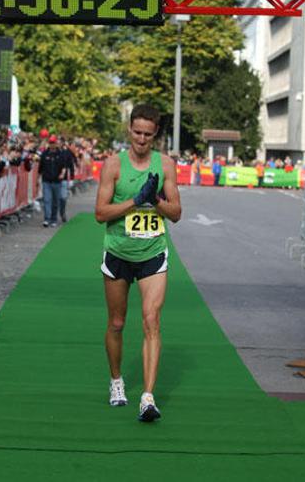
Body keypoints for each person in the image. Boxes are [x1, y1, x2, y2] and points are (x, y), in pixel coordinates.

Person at [95, 104, 181, 422]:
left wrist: (155, 200)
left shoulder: (165, 165)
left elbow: (176, 213)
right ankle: (117, 381)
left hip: (152, 253)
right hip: (118, 252)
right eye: (137, 133)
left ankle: (147, 397)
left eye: (147, 134)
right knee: (117, 323)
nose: (141, 140)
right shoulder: (113, 165)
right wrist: (135, 201)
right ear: (129, 129)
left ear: (155, 135)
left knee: (151, 320)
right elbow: (100, 213)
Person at [38, 134, 65, 227]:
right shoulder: (44, 154)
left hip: (57, 181)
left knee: (55, 201)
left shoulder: (60, 154)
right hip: (46, 181)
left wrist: (62, 174)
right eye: (50, 143)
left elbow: (64, 167)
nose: (52, 144)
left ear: (56, 143)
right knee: (47, 200)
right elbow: (40, 168)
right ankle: (47, 219)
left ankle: (54, 219)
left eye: (53, 143)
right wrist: (38, 179)